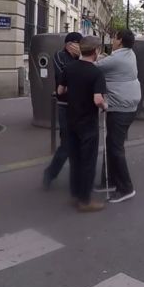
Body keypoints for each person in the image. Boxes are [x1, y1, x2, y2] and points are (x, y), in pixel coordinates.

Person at [58, 36, 107, 212]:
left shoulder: (69, 68)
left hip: (71, 120)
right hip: (88, 123)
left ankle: (75, 194)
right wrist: (105, 106)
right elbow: (98, 99)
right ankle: (85, 200)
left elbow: (60, 90)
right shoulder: (96, 73)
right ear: (96, 51)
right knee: (88, 161)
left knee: (75, 159)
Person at [95, 29, 142, 203]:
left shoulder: (117, 59)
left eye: (114, 38)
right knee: (112, 145)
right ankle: (110, 181)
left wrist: (84, 55)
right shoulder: (130, 54)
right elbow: (108, 63)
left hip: (120, 109)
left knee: (115, 148)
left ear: (120, 40)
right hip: (127, 107)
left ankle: (126, 188)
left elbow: (93, 67)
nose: (112, 40)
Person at [43, 32, 82, 189]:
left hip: (82, 106)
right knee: (66, 144)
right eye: (77, 43)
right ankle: (50, 173)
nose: (80, 46)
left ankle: (78, 181)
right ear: (69, 44)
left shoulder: (81, 58)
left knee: (80, 143)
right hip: (65, 106)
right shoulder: (59, 56)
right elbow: (64, 77)